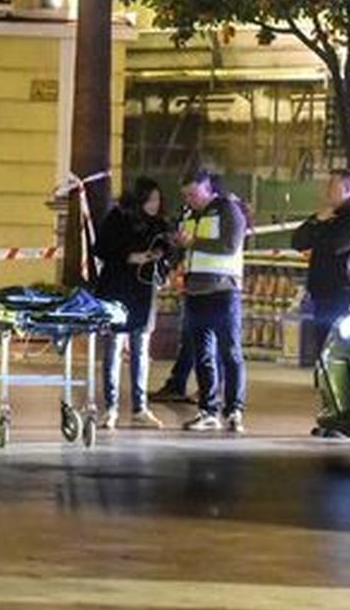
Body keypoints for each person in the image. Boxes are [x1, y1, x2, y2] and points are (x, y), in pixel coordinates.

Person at [92, 177, 172, 429]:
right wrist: (129, 256)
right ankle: (111, 407)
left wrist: (162, 255)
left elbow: (169, 252)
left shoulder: (159, 225)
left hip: (144, 290)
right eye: (151, 200)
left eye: (158, 200)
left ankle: (140, 407)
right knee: (114, 346)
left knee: (140, 348)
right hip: (117, 288)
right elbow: (101, 248)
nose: (155, 205)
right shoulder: (117, 217)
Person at [172, 169, 248, 433]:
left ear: (207, 189)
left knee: (230, 352)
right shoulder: (189, 214)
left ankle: (235, 410)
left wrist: (194, 241)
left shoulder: (228, 210)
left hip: (223, 291)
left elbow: (229, 245)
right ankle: (207, 410)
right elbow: (184, 246)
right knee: (203, 355)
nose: (189, 199)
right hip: (195, 293)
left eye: (193, 194)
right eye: (185, 195)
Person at [292, 169, 350, 367]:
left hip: (347, 290)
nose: (326, 190)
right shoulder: (326, 215)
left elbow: (337, 245)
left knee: (343, 342)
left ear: (347, 189)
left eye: (332, 185)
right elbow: (298, 241)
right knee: (323, 343)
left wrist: (318, 235)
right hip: (322, 290)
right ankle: (323, 382)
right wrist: (317, 221)